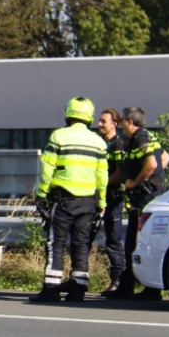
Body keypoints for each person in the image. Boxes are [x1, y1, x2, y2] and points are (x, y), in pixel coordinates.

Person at [30, 97, 108, 303]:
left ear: (69, 113)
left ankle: (51, 289)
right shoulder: (99, 142)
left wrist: (41, 194)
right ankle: (78, 290)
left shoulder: (59, 136)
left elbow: (47, 169)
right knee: (81, 244)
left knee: (56, 243)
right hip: (88, 202)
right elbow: (103, 176)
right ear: (89, 116)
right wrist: (102, 203)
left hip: (64, 200)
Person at [104, 106, 167, 301]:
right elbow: (165, 158)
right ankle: (135, 284)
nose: (121, 124)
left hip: (143, 198)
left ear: (130, 122)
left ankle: (142, 287)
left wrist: (137, 181)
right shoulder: (147, 136)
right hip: (147, 196)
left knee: (135, 241)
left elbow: (152, 164)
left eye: (122, 120)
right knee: (138, 241)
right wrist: (154, 180)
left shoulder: (139, 138)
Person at [97, 108, 126, 294]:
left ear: (114, 124)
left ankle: (119, 281)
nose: (99, 124)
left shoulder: (118, 145)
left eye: (103, 121)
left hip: (113, 198)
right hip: (98, 197)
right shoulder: (100, 144)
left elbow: (120, 173)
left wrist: (101, 182)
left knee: (113, 240)